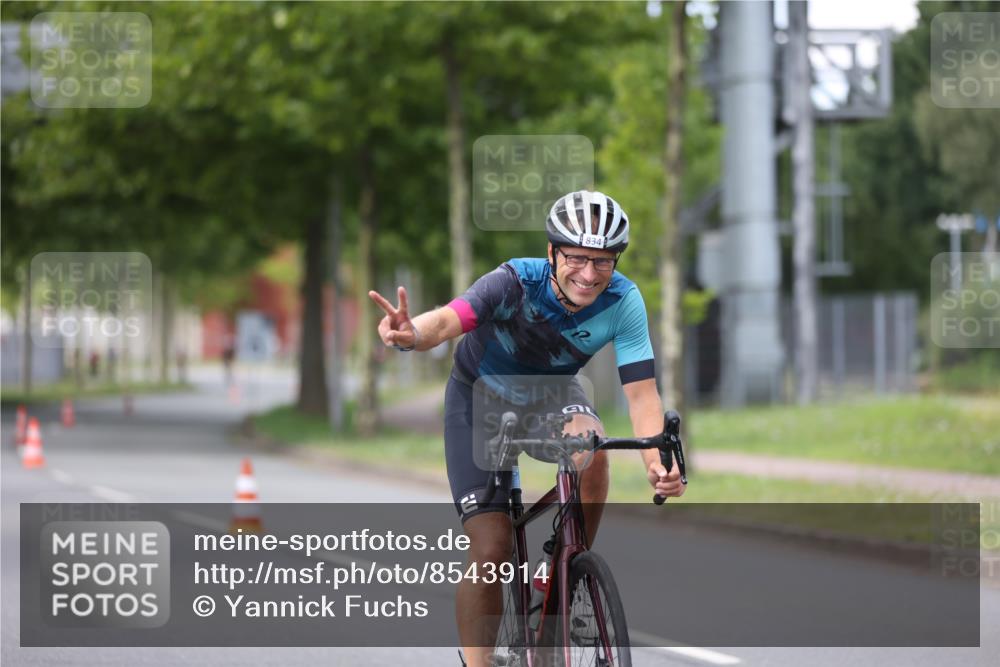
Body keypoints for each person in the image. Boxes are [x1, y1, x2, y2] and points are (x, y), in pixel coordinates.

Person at [369, 190, 686, 667]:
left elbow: (642, 394)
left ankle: (569, 575)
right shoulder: (513, 283)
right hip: (479, 400)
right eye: (577, 257)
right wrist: (412, 334)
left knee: (594, 451)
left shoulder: (625, 300)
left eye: (603, 261)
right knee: (492, 546)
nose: (589, 273)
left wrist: (657, 462)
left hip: (552, 396)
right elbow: (449, 319)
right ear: (552, 252)